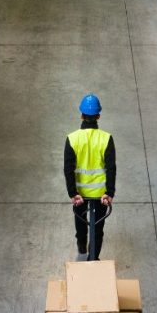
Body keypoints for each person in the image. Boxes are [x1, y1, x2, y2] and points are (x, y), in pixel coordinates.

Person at [64, 93, 116, 261]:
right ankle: (93, 258)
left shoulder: (72, 139)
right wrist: (109, 192)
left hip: (80, 193)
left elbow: (68, 169)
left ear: (81, 115)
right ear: (98, 116)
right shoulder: (106, 139)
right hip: (100, 194)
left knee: (80, 222)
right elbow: (111, 168)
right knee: (98, 227)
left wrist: (73, 193)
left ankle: (81, 246)